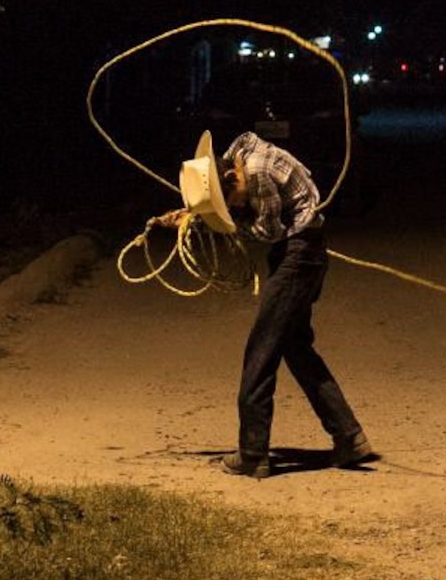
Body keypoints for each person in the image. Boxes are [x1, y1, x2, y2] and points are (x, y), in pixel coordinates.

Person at [156, 128, 379, 478]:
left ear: (231, 176)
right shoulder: (241, 157)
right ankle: (349, 436)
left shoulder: (256, 171)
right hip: (302, 253)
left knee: (262, 350)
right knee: (296, 348)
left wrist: (220, 227)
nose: (237, 206)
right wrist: (195, 216)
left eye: (233, 199)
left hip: (298, 254)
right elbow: (243, 212)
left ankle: (253, 452)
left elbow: (268, 231)